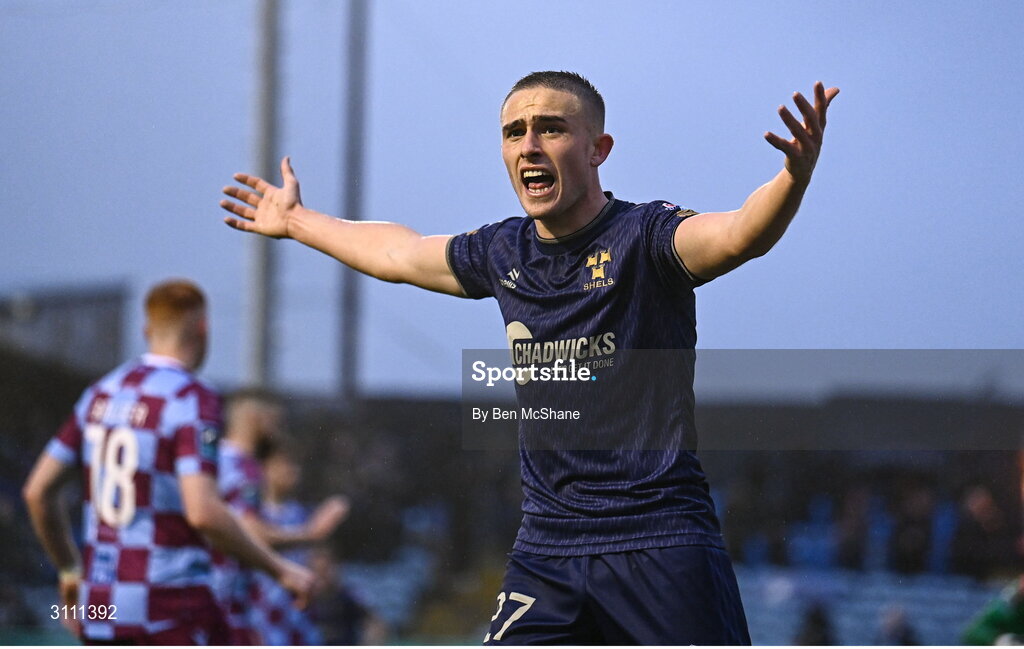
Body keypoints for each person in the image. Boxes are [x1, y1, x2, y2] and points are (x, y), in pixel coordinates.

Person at [219, 71, 839, 644]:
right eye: (514, 132)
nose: (529, 144)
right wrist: (298, 221)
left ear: (599, 149)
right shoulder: (502, 251)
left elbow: (737, 235)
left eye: (552, 128)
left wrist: (793, 178)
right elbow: (398, 254)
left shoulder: (646, 237)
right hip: (548, 549)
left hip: (660, 542)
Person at [21, 279, 313, 645]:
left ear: (147, 331)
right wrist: (280, 569)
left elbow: (37, 492)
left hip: (100, 608)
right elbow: (203, 512)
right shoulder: (191, 397)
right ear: (203, 329)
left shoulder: (99, 394)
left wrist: (68, 570)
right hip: (169, 608)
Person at [213, 388, 349, 644]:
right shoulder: (242, 465)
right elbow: (253, 533)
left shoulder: (213, 458)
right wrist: (310, 533)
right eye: (275, 420)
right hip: (227, 603)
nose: (279, 429)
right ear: (255, 418)